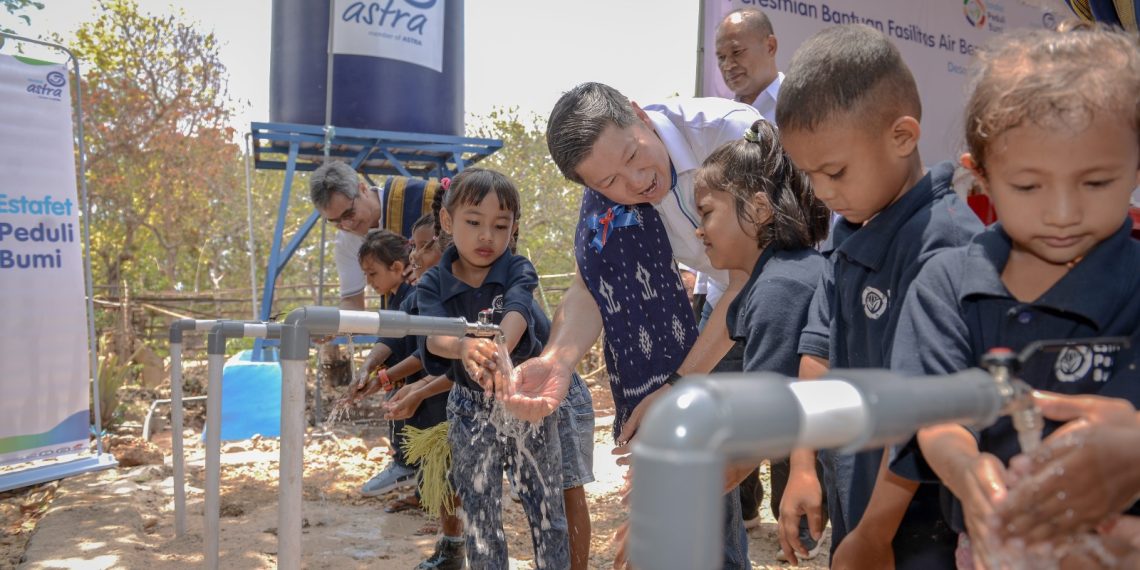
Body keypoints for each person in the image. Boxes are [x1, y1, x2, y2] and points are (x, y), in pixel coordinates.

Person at [888, 24, 1140, 568]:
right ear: (980, 176)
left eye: (1096, 182)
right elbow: (936, 412)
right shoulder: (946, 287)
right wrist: (966, 472)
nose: (1063, 213)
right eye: (1028, 186)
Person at [509, 83, 762, 569]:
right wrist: (557, 360)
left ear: (638, 114)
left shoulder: (729, 134)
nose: (637, 180)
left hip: (806, 288)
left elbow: (754, 276)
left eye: (632, 155)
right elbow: (591, 287)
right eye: (609, 181)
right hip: (722, 297)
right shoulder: (604, 202)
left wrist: (678, 385)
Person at [773, 24, 984, 568]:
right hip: (857, 493)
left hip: (920, 524)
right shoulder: (849, 233)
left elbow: (930, 407)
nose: (823, 192)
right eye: (809, 175)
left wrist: (874, 533)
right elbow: (818, 352)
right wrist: (803, 463)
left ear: (902, 136)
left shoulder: (945, 245)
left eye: (835, 171)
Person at [417, 167, 570, 568]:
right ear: (447, 220)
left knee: (547, 511)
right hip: (468, 409)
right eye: (474, 222)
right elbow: (433, 336)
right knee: (481, 518)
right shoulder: (432, 283)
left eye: (500, 226)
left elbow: (517, 313)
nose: (487, 236)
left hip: (525, 400)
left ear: (513, 228)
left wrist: (497, 347)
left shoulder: (517, 269)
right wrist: (463, 346)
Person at [693, 119, 831, 561]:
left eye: (706, 212)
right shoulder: (783, 274)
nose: (698, 230)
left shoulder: (779, 289)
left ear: (757, 209)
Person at [346, 223, 465, 569]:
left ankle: (446, 526)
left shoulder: (446, 292)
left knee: (447, 466)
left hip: (449, 395)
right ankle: (449, 537)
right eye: (414, 246)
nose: (415, 255)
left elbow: (427, 354)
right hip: (432, 387)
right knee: (440, 466)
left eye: (424, 246)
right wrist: (374, 370)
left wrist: (388, 377)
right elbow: (395, 337)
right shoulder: (417, 293)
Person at [308, 160, 387, 311]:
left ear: (362, 189)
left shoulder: (410, 199)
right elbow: (352, 301)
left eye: (349, 213)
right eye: (335, 221)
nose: (347, 226)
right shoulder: (345, 243)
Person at [715, 7, 783, 123]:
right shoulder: (720, 118)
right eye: (721, 57)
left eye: (736, 52)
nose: (727, 66)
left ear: (770, 47)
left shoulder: (804, 104)